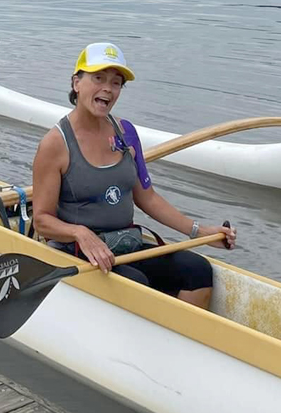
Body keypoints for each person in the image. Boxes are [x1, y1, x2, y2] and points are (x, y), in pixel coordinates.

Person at [32, 42, 236, 309]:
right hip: (80, 252)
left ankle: (175, 336)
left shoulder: (125, 132)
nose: (107, 88)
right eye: (98, 78)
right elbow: (42, 221)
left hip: (123, 243)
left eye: (116, 83)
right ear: (76, 83)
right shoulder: (55, 144)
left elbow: (147, 197)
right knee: (136, 283)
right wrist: (79, 232)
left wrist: (199, 231)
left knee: (197, 270)